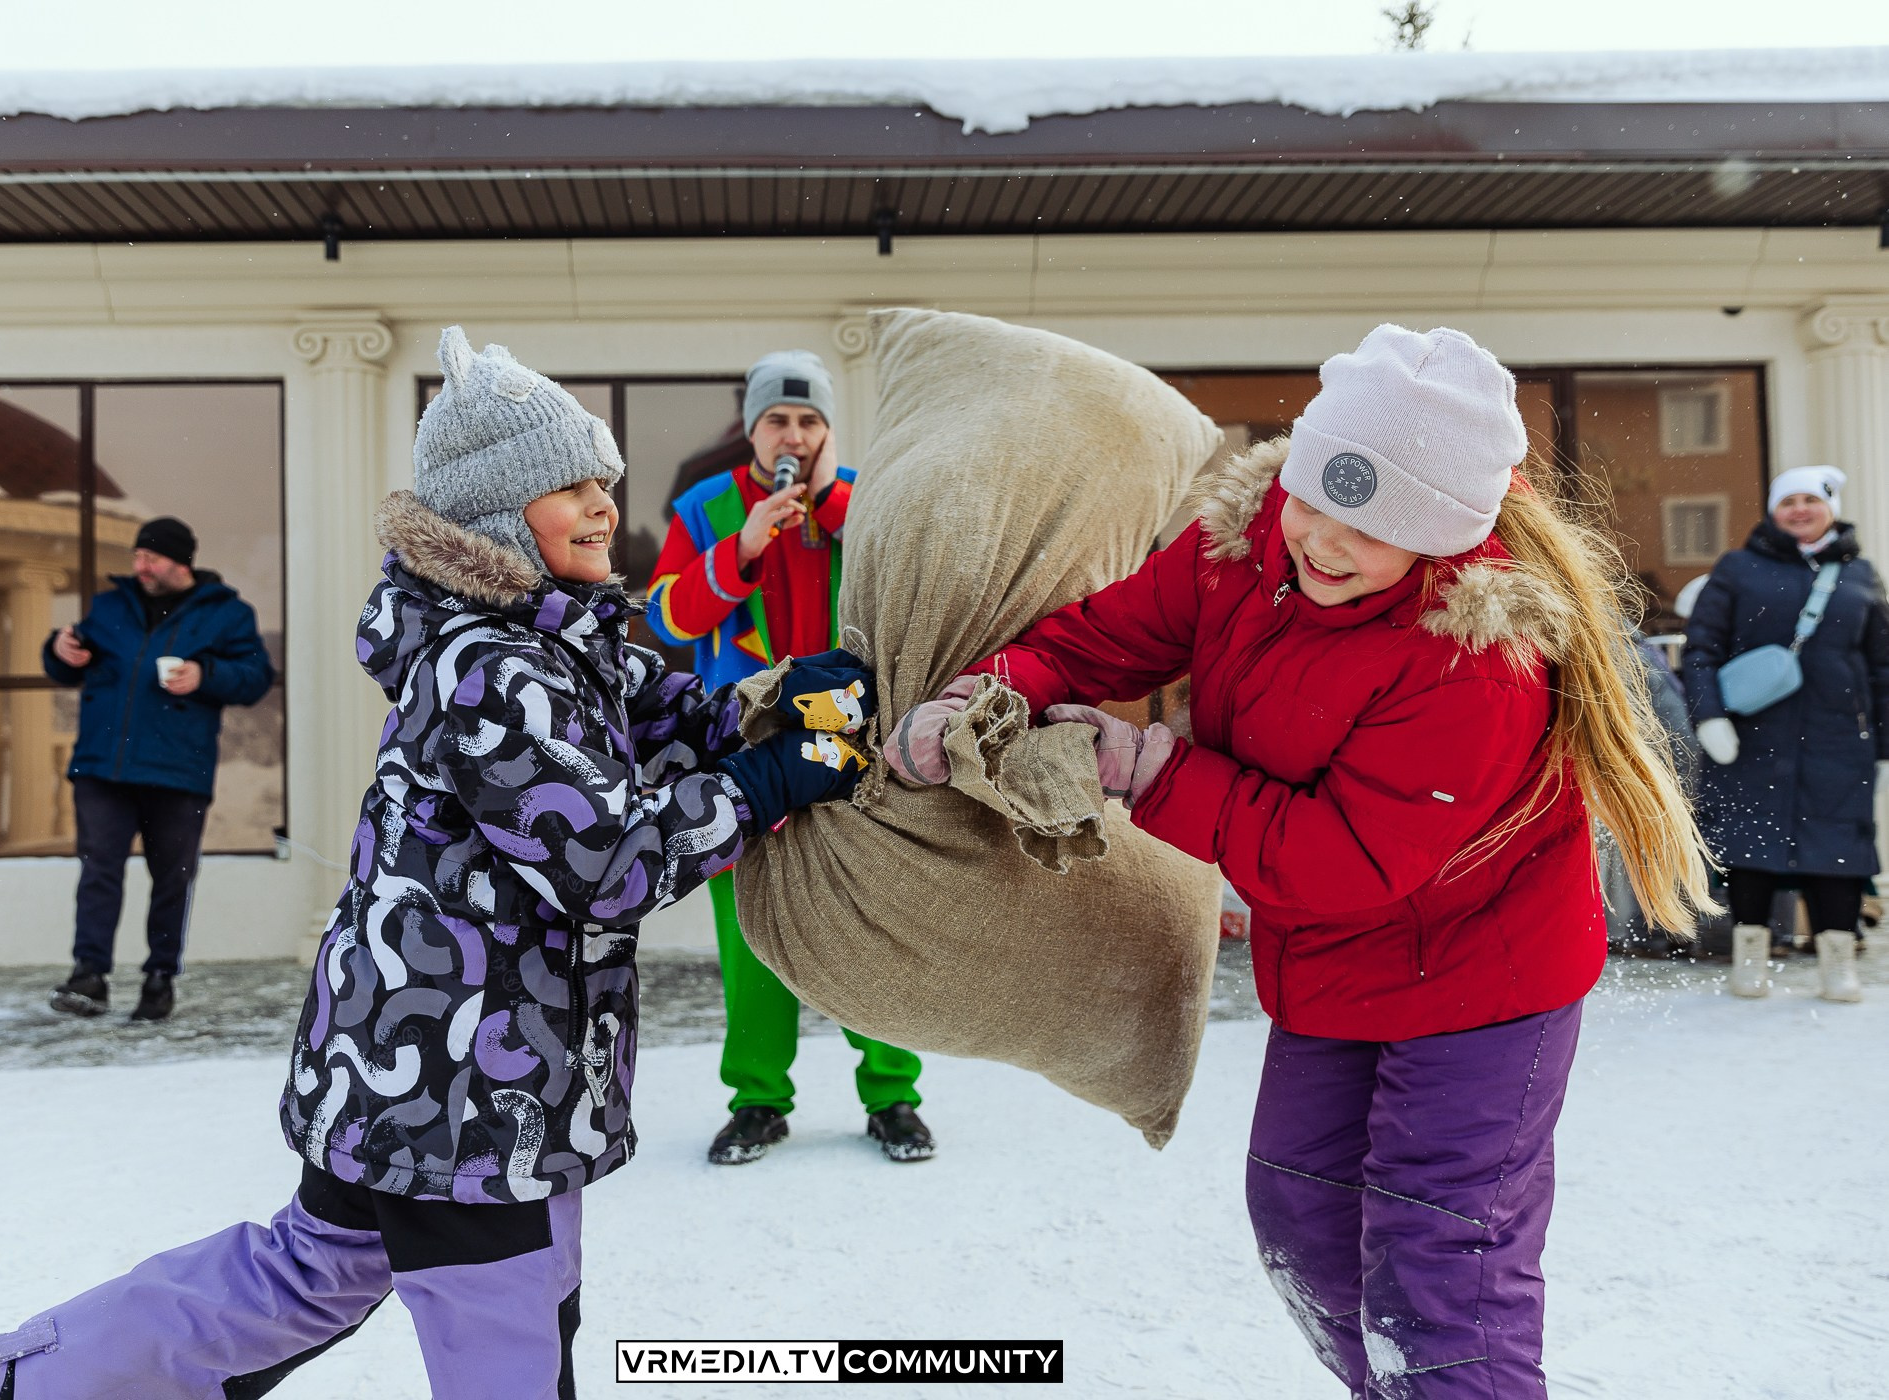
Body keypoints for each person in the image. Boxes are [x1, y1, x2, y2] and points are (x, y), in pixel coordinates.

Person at [0, 331, 869, 1400]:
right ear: (501, 515)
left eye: (604, 479)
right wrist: (768, 782)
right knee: (509, 1344)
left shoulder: (552, 637)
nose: (605, 503)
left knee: (301, 1276)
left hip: (409, 1068)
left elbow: (671, 714)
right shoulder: (487, 664)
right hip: (470, 1087)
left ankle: (16, 1389)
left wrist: (776, 701)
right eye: (574, 485)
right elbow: (608, 860)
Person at [889, 325, 1710, 1399]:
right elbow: (1102, 637)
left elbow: (1344, 858)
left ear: (1443, 536)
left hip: (1482, 984)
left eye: (1372, 527)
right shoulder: (1245, 544)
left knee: (1438, 1279)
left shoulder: (1475, 655)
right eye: (1317, 499)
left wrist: (1148, 767)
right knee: (1304, 1228)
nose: (1322, 540)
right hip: (1333, 966)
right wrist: (987, 691)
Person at [647, 350, 935, 1166]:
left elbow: (911, 586)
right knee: (750, 935)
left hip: (855, 746)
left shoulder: (866, 500)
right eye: (778, 419)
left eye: (810, 421)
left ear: (828, 430)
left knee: (869, 929)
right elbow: (667, 617)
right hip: (745, 751)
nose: (795, 435)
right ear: (753, 429)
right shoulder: (706, 506)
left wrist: (839, 504)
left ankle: (893, 1095)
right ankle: (757, 1101)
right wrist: (740, 549)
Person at [43, 515, 274, 1021]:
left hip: (177, 770)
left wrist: (205, 674)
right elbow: (67, 661)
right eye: (137, 556)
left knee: (172, 878)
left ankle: (160, 977)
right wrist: (59, 651)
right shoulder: (110, 607)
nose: (140, 566)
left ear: (180, 562)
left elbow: (256, 676)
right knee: (99, 871)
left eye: (151, 557)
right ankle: (88, 976)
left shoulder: (227, 614)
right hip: (103, 766)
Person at [1681, 465, 1887, 1003]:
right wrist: (1709, 717)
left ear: (1830, 508)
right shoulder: (1737, 568)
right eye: (1788, 501)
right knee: (1750, 846)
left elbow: (1882, 667)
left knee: (1838, 851)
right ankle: (1750, 957)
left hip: (1838, 744)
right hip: (1751, 739)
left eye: (1810, 500)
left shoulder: (1861, 575)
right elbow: (1701, 650)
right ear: (1773, 510)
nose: (1800, 510)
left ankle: (1837, 964)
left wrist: (1884, 744)